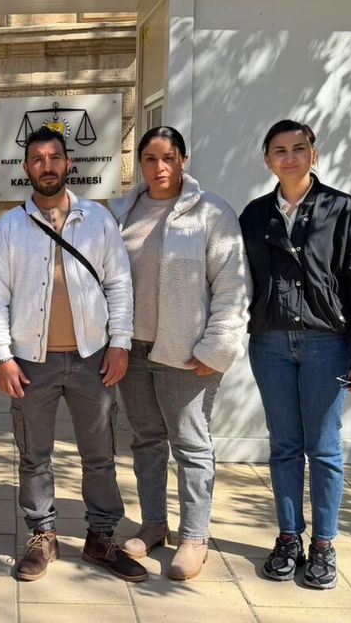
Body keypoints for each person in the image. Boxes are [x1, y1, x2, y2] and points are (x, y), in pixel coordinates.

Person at [0, 126, 146, 583]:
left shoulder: (97, 219)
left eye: (55, 157)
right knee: (34, 454)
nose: (47, 165)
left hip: (92, 357)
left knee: (100, 453)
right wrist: (3, 355)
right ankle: (43, 534)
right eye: (38, 159)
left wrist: (120, 342)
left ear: (68, 163)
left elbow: (119, 283)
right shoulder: (11, 226)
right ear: (26, 168)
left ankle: (101, 537)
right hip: (31, 361)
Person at [239, 119, 351, 590]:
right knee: (283, 446)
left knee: (323, 448)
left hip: (327, 344)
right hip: (270, 344)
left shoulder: (343, 210)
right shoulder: (254, 215)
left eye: (299, 148)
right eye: (280, 150)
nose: (290, 158)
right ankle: (289, 538)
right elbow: (236, 281)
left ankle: (323, 544)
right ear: (267, 160)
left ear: (314, 154)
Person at [107, 126, 250, 580]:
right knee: (146, 441)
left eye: (168, 157)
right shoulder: (121, 213)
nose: (160, 167)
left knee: (190, 443)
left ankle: (194, 536)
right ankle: (153, 524)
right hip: (133, 350)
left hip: (187, 354)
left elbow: (232, 286)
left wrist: (217, 347)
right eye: (150, 159)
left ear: (184, 160)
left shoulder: (212, 213)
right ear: (140, 164)